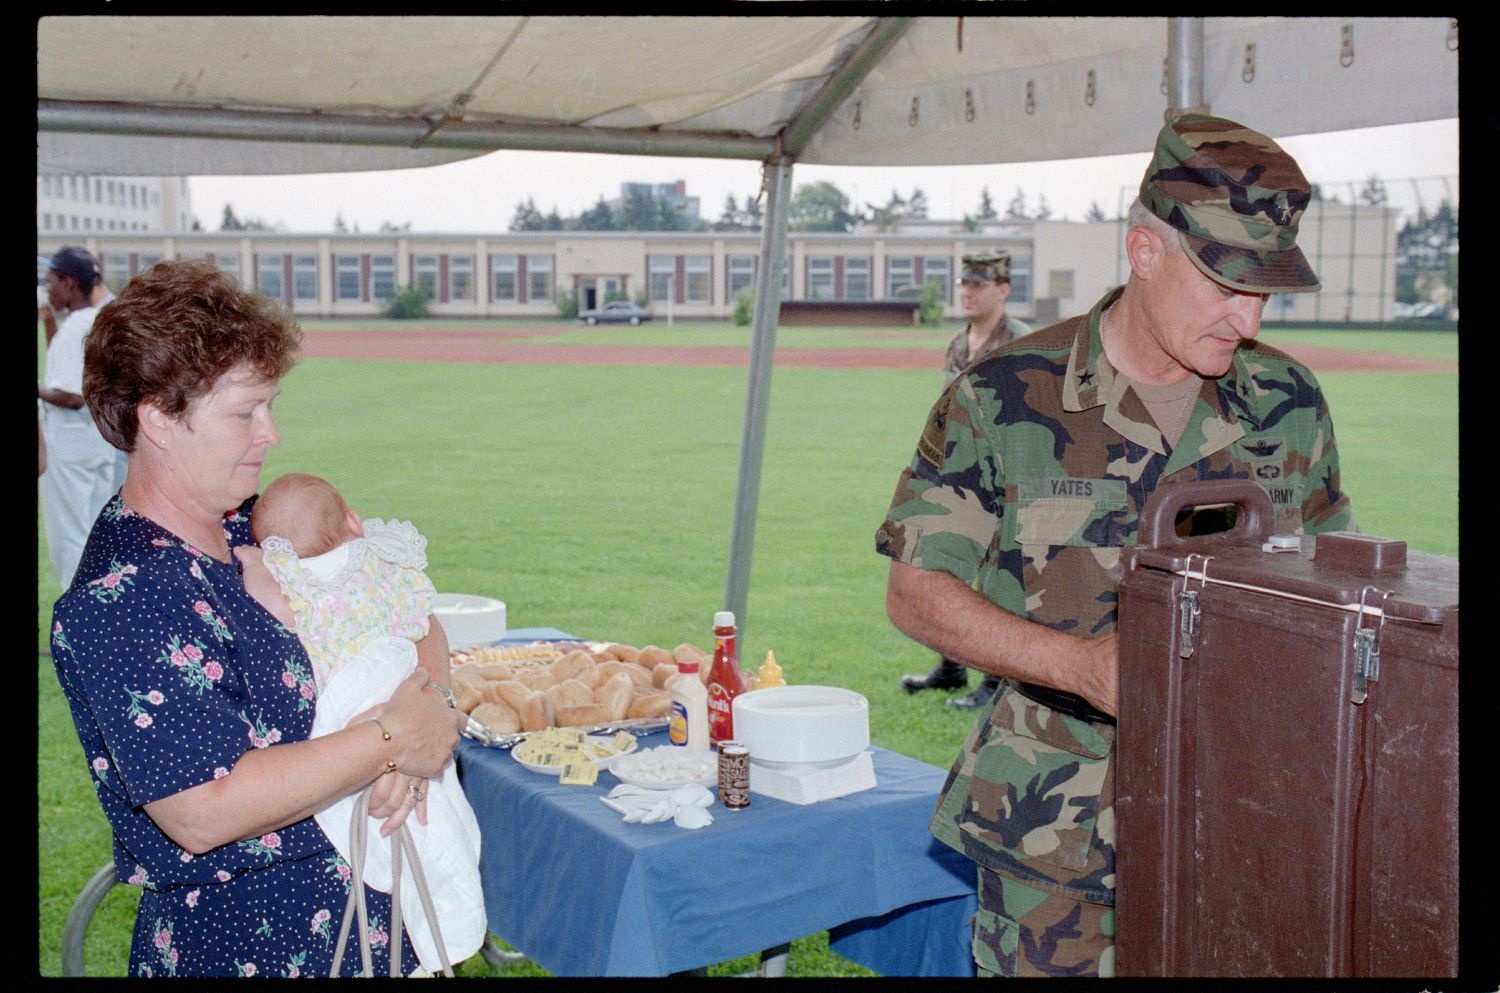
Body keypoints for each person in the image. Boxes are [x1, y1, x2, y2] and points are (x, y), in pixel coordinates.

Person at [874, 114, 1356, 977]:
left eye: (1265, 291)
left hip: (1240, 830)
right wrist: (1082, 666)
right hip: (1050, 840)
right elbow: (915, 591)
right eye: (1223, 283)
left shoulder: (1288, 402)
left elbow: (1328, 585)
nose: (1246, 321)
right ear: (1143, 250)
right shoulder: (1004, 397)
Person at [50, 259, 466, 977]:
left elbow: (406, 610)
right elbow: (204, 808)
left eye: (270, 405)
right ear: (158, 418)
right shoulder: (121, 596)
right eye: (245, 411)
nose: (271, 433)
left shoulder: (256, 527)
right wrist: (391, 737)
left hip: (373, 925)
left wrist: (426, 708)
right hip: (253, 946)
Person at [234, 471, 486, 972]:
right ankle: (448, 917)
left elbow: (270, 607)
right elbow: (421, 620)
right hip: (386, 690)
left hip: (363, 700)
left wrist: (254, 562)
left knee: (400, 821)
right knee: (439, 820)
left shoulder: (288, 579)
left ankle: (435, 915)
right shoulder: (385, 562)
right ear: (352, 519)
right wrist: (399, 735)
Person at [901, 250, 1033, 708]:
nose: (968, 291)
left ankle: (996, 683)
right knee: (943, 568)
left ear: (1003, 290)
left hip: (1005, 481)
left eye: (979, 284)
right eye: (964, 283)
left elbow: (1026, 420)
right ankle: (952, 666)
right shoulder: (959, 344)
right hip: (957, 476)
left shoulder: (1021, 344)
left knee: (998, 581)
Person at [38, 246, 119, 589]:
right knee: (94, 534)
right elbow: (69, 371)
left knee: (69, 538)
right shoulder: (95, 321)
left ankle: (77, 623)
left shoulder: (77, 327)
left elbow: (72, 396)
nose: (48, 287)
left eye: (51, 280)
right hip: (96, 441)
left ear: (70, 283)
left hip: (69, 443)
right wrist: (49, 323)